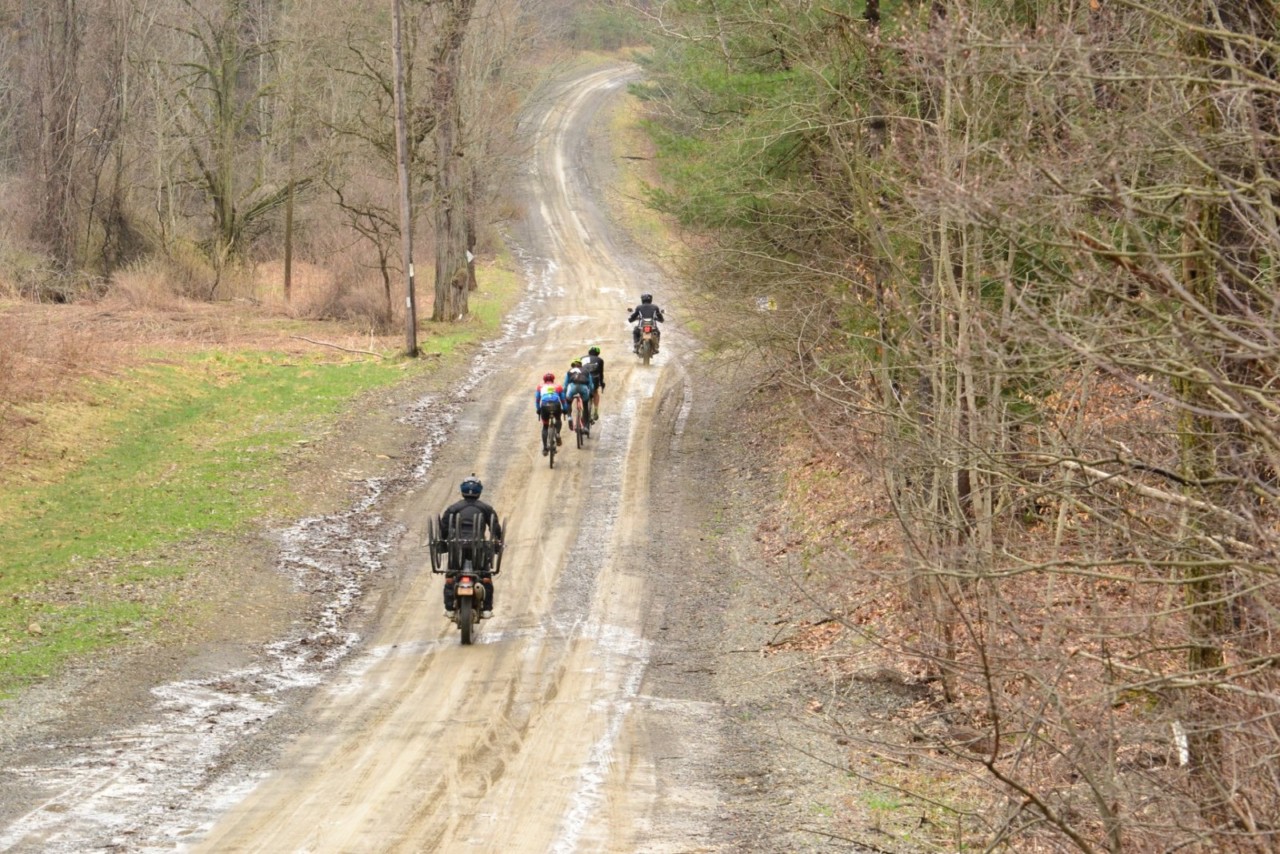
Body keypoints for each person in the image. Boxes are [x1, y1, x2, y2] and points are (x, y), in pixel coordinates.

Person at [437, 475, 504, 619]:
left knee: (450, 576)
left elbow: (443, 528)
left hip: (457, 548)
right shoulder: (485, 508)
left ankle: (449, 609)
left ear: (462, 491)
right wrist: (497, 543)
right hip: (478, 549)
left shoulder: (453, 508)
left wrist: (443, 543)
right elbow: (495, 528)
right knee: (485, 576)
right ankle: (486, 609)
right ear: (479, 491)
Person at [535, 372, 567, 455]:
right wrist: (565, 409)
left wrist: (538, 409)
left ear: (544, 380)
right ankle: (557, 434)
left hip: (545, 406)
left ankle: (545, 448)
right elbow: (563, 400)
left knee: (545, 427)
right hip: (556, 405)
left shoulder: (540, 387)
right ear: (553, 379)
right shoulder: (558, 387)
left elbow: (537, 400)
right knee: (558, 419)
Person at [562, 359, 594, 435]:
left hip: (572, 387)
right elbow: (591, 385)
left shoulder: (569, 371)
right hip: (583, 388)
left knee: (569, 402)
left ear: (573, 365)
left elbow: (565, 385)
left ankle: (569, 417)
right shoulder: (586, 371)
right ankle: (585, 426)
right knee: (585, 406)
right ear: (581, 364)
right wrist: (591, 393)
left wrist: (565, 394)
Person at [580, 346, 605, 424]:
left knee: (581, 394)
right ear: (598, 353)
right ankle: (596, 411)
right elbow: (601, 373)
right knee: (595, 392)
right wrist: (602, 383)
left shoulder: (582, 358)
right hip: (594, 378)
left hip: (582, 377)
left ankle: (581, 412)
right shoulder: (600, 360)